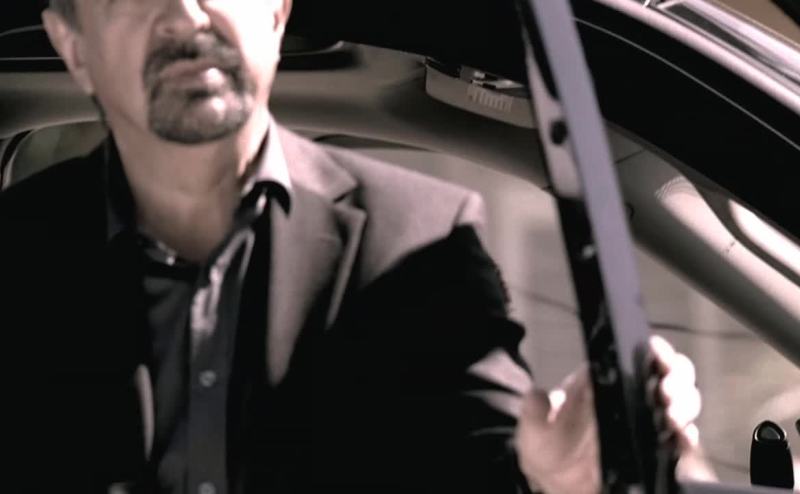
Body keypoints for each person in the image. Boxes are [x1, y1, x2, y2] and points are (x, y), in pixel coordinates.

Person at [0, 0, 701, 492]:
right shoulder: (15, 257)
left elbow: (491, 457)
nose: (186, 13)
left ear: (277, 12)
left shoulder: (420, 241)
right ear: (73, 47)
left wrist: (555, 475)